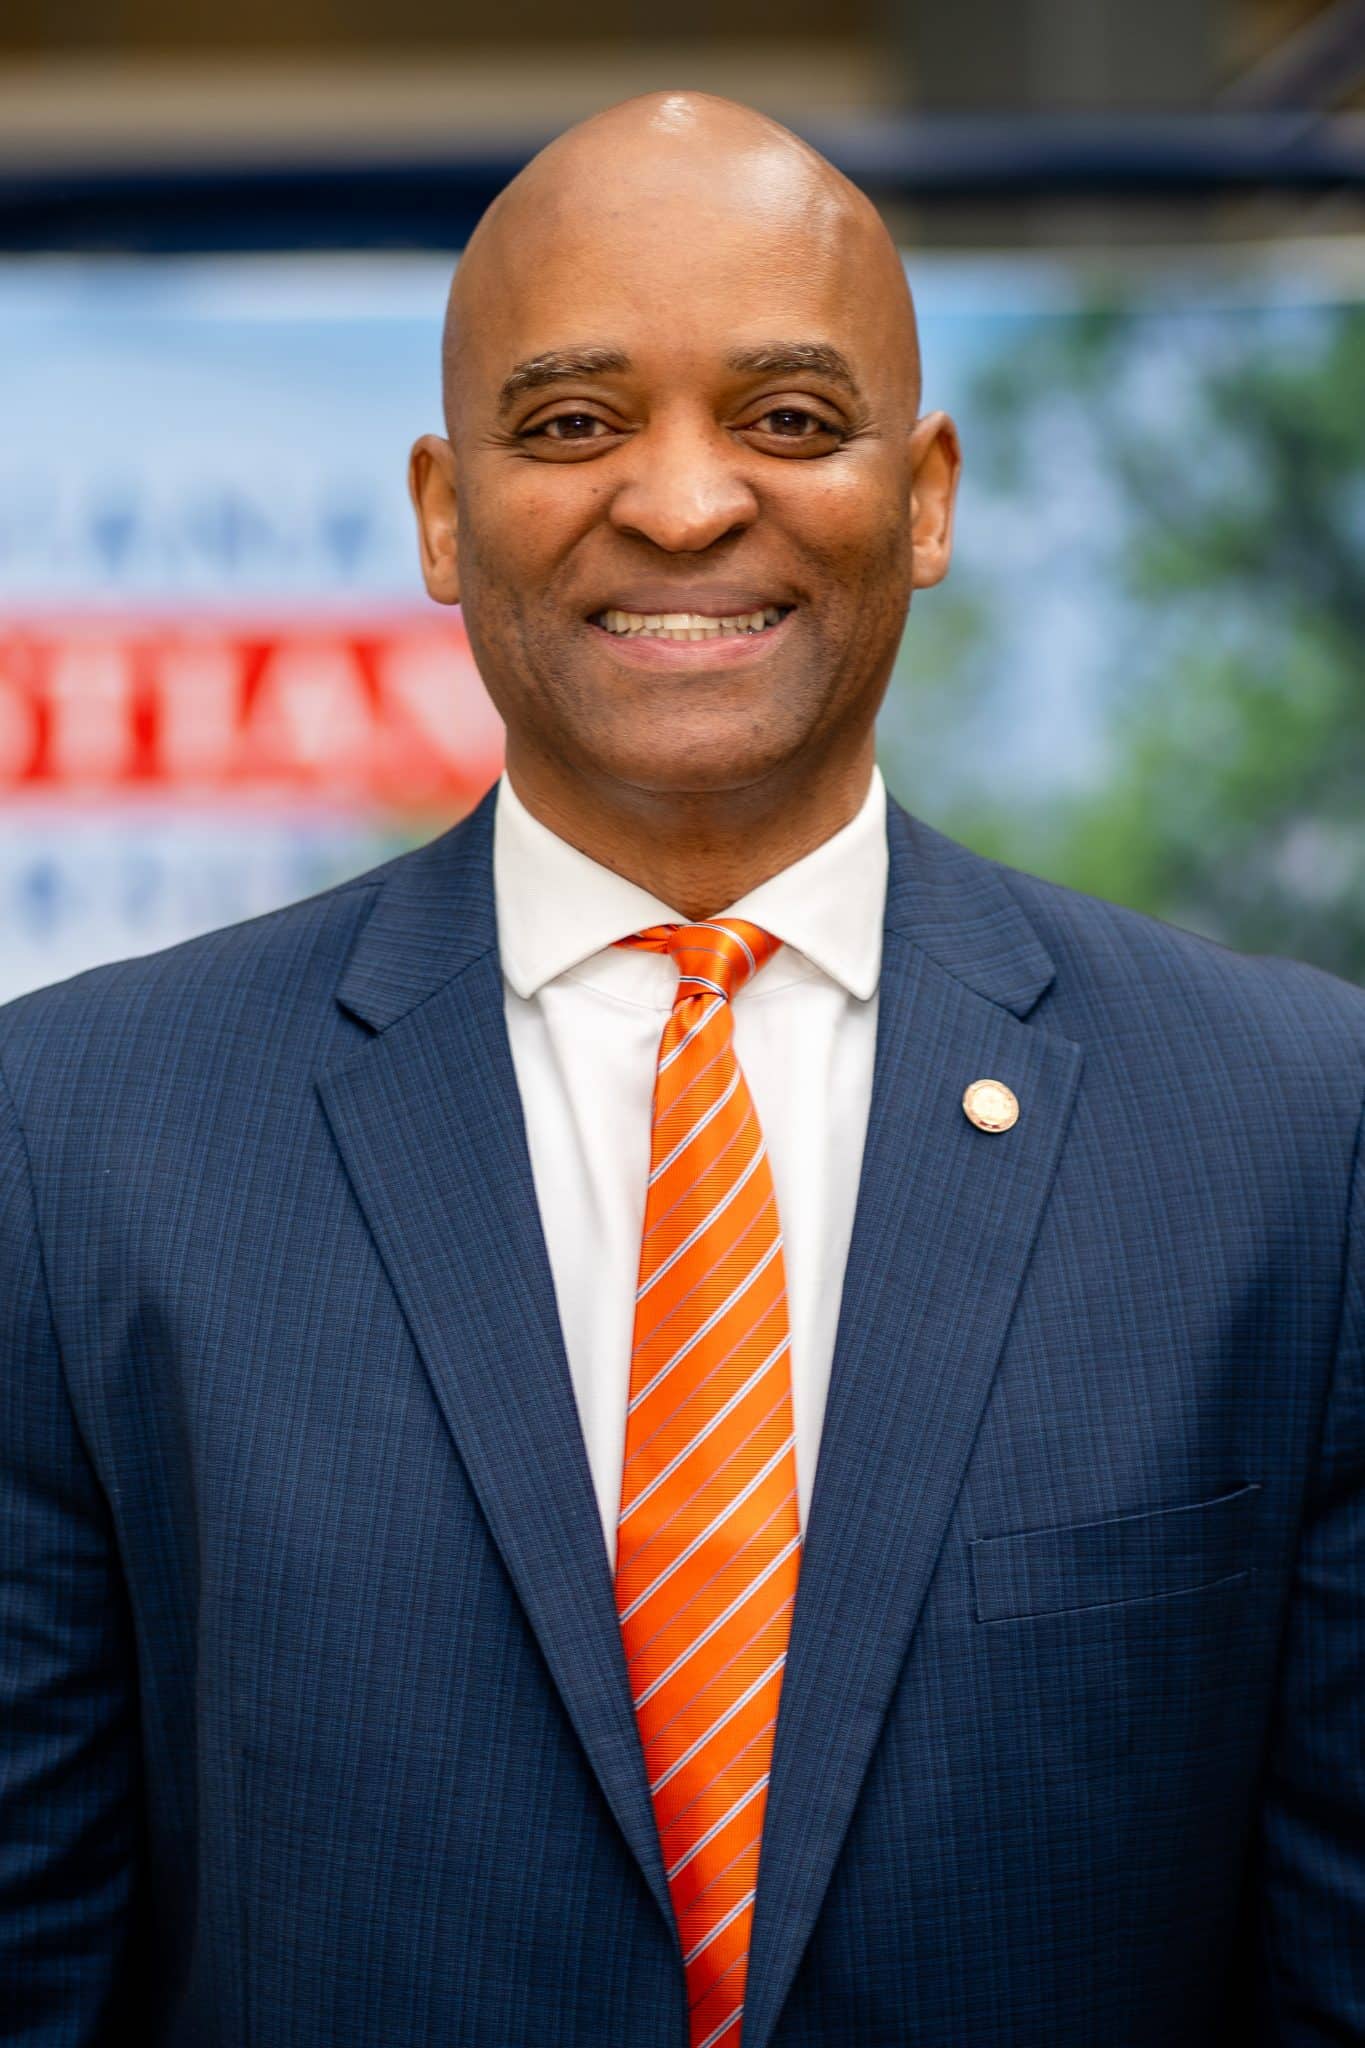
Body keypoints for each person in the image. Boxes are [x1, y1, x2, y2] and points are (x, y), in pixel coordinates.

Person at [1, 89, 1361, 2048]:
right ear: (442, 512)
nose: (682, 502)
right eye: (570, 424)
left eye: (788, 420)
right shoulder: (74, 1142)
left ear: (926, 495)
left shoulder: (1287, 1133)